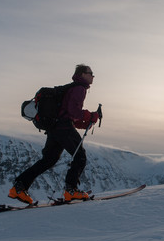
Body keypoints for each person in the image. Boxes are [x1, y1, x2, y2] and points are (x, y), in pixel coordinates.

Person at [8, 64, 100, 204]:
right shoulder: (79, 89)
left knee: (48, 160)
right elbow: (73, 112)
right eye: (90, 73)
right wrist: (91, 115)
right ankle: (71, 190)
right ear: (82, 74)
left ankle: (19, 187)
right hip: (63, 127)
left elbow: (68, 114)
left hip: (54, 128)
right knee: (80, 157)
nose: (93, 75)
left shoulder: (70, 88)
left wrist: (86, 121)